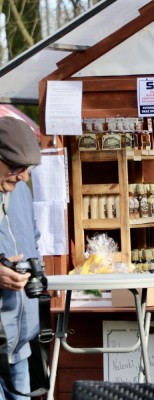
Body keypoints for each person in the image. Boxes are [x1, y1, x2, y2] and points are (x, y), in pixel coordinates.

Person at [0, 116, 42, 400]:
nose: (23, 176)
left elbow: (34, 242)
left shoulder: (21, 192)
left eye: (27, 169)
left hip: (19, 342)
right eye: (16, 167)